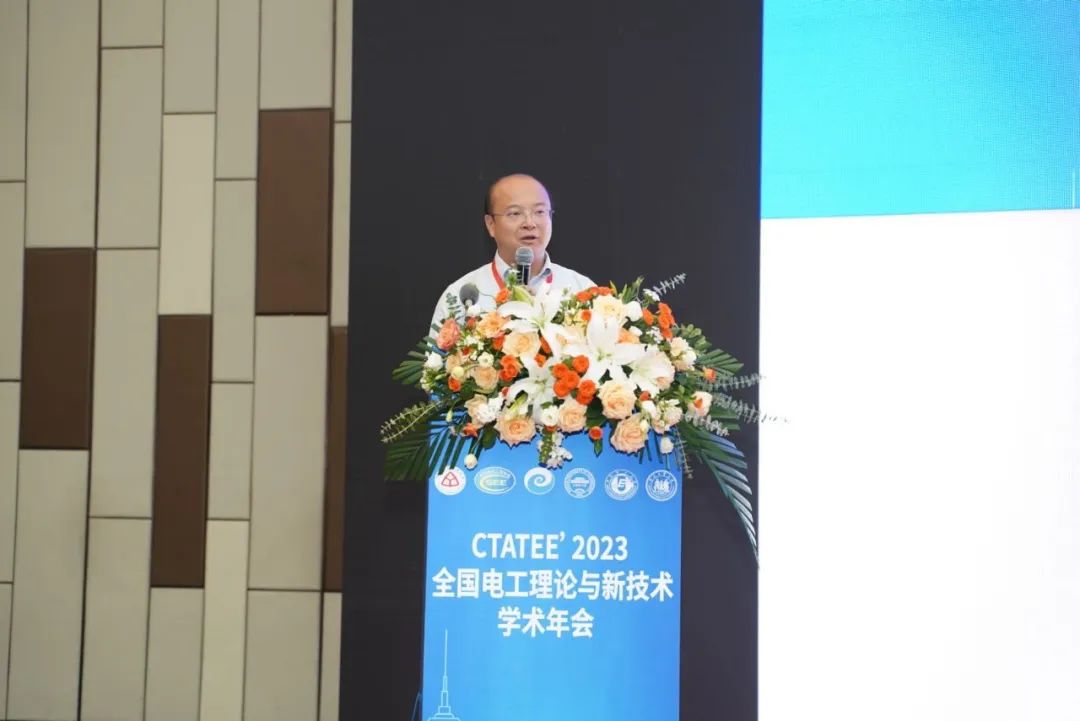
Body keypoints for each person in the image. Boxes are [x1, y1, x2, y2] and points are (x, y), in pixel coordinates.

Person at [429, 174, 595, 330]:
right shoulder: (461, 297)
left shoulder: (582, 290)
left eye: (539, 212)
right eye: (515, 213)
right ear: (491, 224)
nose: (529, 223)